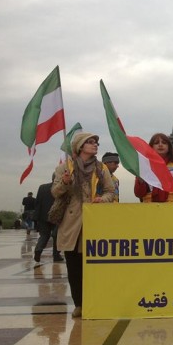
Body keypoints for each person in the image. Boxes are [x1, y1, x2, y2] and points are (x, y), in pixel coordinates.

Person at [52, 132, 115, 318]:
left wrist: (102, 199)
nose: (95, 145)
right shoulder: (64, 168)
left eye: (96, 142)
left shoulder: (101, 168)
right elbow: (55, 192)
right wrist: (65, 182)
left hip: (93, 221)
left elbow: (110, 191)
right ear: (80, 146)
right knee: (74, 267)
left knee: (95, 267)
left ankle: (94, 302)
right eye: (90, 142)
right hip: (72, 223)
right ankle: (79, 303)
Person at [134, 133, 173, 205]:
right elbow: (139, 194)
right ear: (151, 147)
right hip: (150, 207)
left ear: (169, 147)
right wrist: (140, 181)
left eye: (164, 143)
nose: (160, 145)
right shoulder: (144, 165)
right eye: (156, 143)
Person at [33, 176, 64, 262]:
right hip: (57, 216)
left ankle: (38, 250)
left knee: (44, 235)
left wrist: (36, 216)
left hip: (43, 216)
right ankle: (56, 255)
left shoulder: (42, 187)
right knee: (56, 236)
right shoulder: (61, 188)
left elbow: (37, 202)